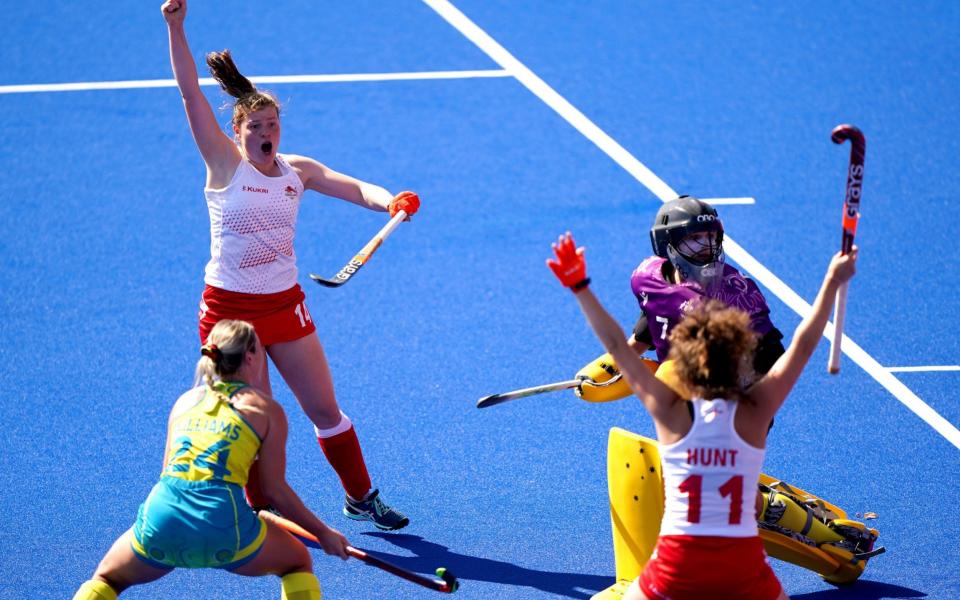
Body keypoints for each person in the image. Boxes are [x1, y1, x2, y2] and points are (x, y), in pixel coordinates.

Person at [162, 0, 417, 530]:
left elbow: (351, 186)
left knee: (326, 410)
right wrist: (175, 26)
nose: (266, 131)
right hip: (230, 314)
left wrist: (390, 200)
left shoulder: (295, 170)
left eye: (273, 123)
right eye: (256, 124)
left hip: (284, 304)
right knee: (257, 420)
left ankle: (360, 495)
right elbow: (190, 93)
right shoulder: (223, 164)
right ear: (238, 130)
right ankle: (262, 507)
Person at [548, 232, 858, 599]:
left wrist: (580, 287)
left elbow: (617, 345)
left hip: (675, 572)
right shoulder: (756, 413)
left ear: (687, 364)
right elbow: (805, 343)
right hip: (745, 574)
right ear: (741, 357)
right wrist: (833, 281)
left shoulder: (670, 414)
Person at [73, 320, 350, 600]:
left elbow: (170, 473)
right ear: (252, 357)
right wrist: (323, 533)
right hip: (222, 524)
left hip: (163, 518)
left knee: (106, 578)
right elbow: (274, 491)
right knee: (297, 562)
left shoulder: (184, 402)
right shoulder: (266, 410)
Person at [576, 195, 785, 402]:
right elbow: (648, 329)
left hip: (736, 396)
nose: (708, 246)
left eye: (711, 237)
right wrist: (614, 365)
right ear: (667, 244)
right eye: (695, 239)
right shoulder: (649, 280)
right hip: (683, 393)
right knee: (668, 375)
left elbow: (771, 357)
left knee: (668, 375)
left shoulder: (737, 293)